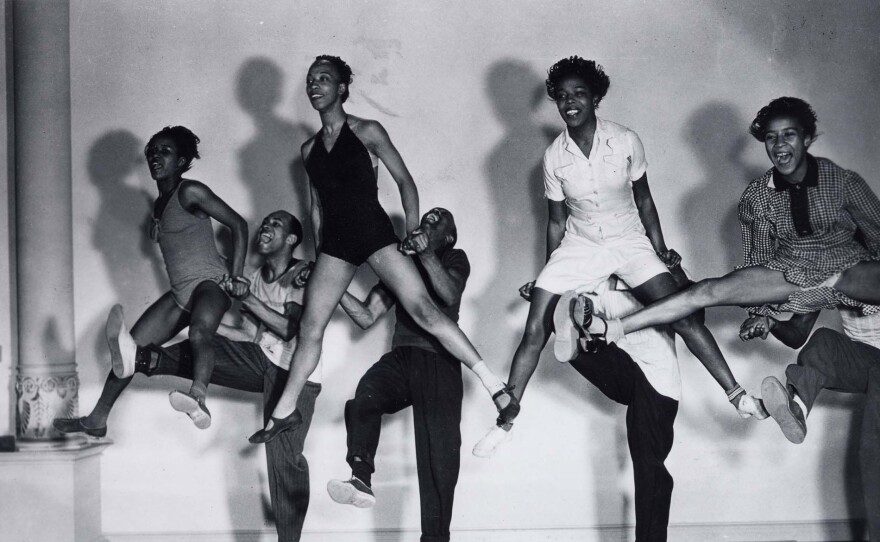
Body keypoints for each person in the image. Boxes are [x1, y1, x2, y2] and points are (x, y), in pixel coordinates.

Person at [477, 56, 762, 452]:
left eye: (579, 94)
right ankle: (506, 419)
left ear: (596, 97)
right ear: (555, 103)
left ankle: (737, 396)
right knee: (535, 327)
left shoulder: (626, 140)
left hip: (628, 241)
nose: (570, 102)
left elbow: (644, 200)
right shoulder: (554, 157)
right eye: (562, 96)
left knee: (680, 312)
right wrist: (549, 272)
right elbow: (556, 222)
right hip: (580, 245)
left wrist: (659, 249)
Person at [249, 55, 510, 444]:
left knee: (423, 310)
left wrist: (412, 231)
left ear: (342, 88)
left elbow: (404, 182)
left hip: (374, 231)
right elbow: (317, 208)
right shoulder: (308, 151)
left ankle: (495, 387)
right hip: (336, 245)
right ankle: (283, 413)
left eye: (324, 78)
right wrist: (322, 257)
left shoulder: (367, 130)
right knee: (309, 329)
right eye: (310, 80)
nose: (315, 85)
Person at [56, 210, 319, 542]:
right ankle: (139, 356)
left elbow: (292, 329)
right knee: (202, 340)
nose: (265, 227)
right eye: (265, 223)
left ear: (292, 240)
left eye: (275, 224)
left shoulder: (301, 274)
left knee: (284, 461)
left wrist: (247, 300)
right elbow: (246, 335)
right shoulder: (252, 278)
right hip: (260, 359)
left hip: (297, 375)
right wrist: (200, 323)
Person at [579, 97, 880, 361]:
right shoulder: (758, 195)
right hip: (795, 270)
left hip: (848, 268)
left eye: (789, 135)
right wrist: (760, 313)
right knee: (707, 289)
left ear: (807, 138)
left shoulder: (842, 182)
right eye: (771, 137)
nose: (779, 145)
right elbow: (759, 259)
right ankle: (611, 328)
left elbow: (877, 233)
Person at [69, 126, 250, 429]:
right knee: (129, 349)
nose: (155, 156)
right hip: (180, 294)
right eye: (152, 151)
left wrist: (237, 276)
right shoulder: (159, 204)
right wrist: (159, 228)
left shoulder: (191, 191)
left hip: (211, 284)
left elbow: (239, 225)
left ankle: (198, 398)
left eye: (165, 151)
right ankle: (97, 419)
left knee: (199, 334)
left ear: (181, 161)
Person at [326, 207, 465, 542]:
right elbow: (365, 315)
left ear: (447, 237)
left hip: (440, 361)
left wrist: (427, 253)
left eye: (440, 218)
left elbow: (449, 293)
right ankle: (360, 475)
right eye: (428, 213)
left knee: (437, 463)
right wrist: (330, 285)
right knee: (366, 396)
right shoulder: (401, 267)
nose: (431, 214)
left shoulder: (455, 256)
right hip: (403, 358)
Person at [740, 310, 879, 540]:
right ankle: (798, 408)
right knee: (824, 342)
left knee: (873, 453)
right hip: (865, 357)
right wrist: (771, 323)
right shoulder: (826, 275)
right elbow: (798, 333)